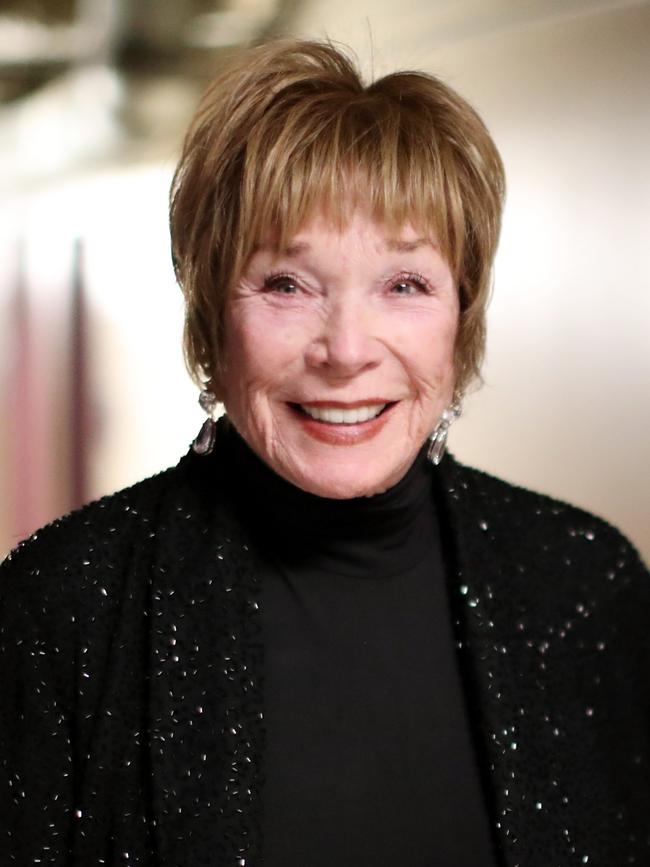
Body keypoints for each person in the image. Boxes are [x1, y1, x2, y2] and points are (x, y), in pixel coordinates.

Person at [1, 38, 648, 867]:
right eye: (287, 283)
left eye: (404, 284)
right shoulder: (60, 612)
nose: (346, 350)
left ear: (462, 316)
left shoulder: (586, 587)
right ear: (210, 319)